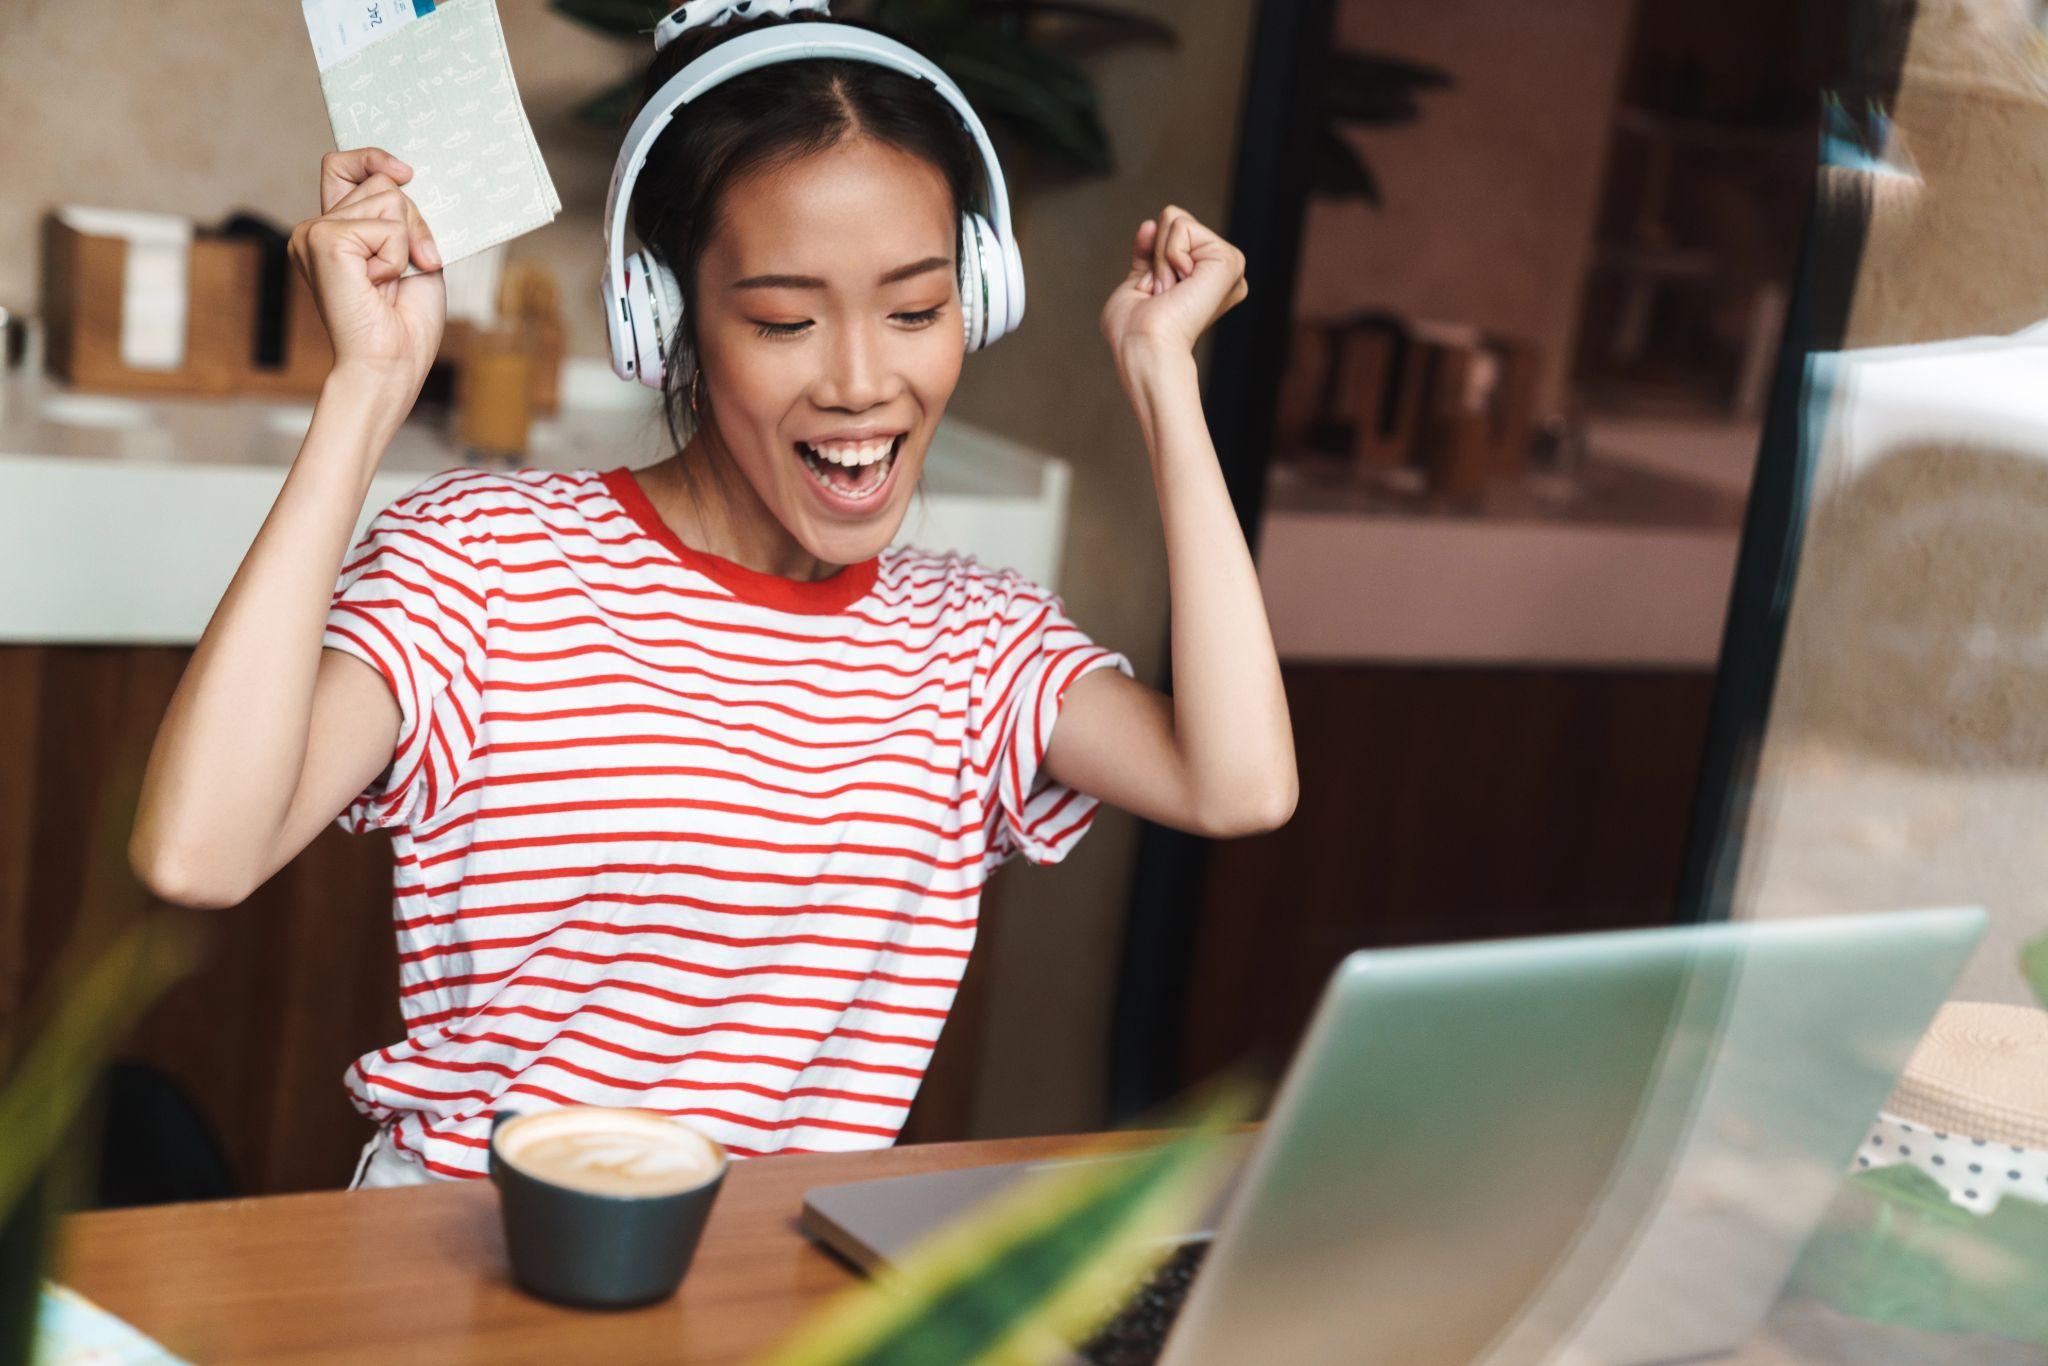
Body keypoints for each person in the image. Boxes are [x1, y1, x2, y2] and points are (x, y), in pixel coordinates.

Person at [129, 5, 1295, 1188]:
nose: (859, 381)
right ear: (665, 319)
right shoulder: (482, 569)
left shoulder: (977, 648)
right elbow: (199, 856)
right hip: (453, 1280)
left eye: (914, 310)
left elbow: (1236, 782)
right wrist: (365, 391)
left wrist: (1164, 378)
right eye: (785, 320)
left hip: (769, 1308)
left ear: (978, 301)